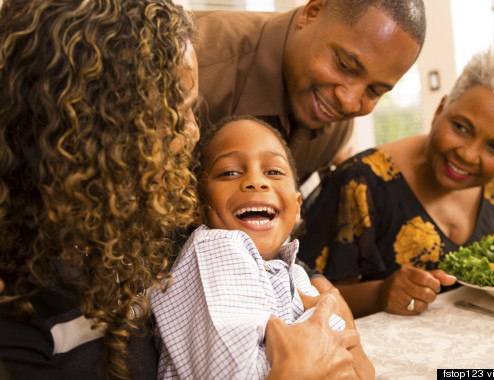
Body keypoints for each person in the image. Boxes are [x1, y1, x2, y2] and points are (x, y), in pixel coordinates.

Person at [0, 0, 366, 379]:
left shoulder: (153, 230)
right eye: (173, 112)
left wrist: (326, 297)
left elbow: (263, 252)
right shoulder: (19, 311)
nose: (192, 131)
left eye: (191, 109)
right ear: (88, 128)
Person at [294, 46, 494, 317]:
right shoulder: (361, 182)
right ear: (440, 109)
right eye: (461, 128)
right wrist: (380, 293)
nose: (467, 155)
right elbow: (297, 295)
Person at [150, 115, 374, 379]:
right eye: (229, 172)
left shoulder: (293, 272)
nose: (256, 181)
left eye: (274, 172)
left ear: (297, 205)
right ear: (197, 207)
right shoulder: (216, 249)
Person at [193, 0, 426, 183]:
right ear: (311, 13)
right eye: (345, 66)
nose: (348, 102)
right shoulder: (192, 66)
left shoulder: (334, 131)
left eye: (374, 91)